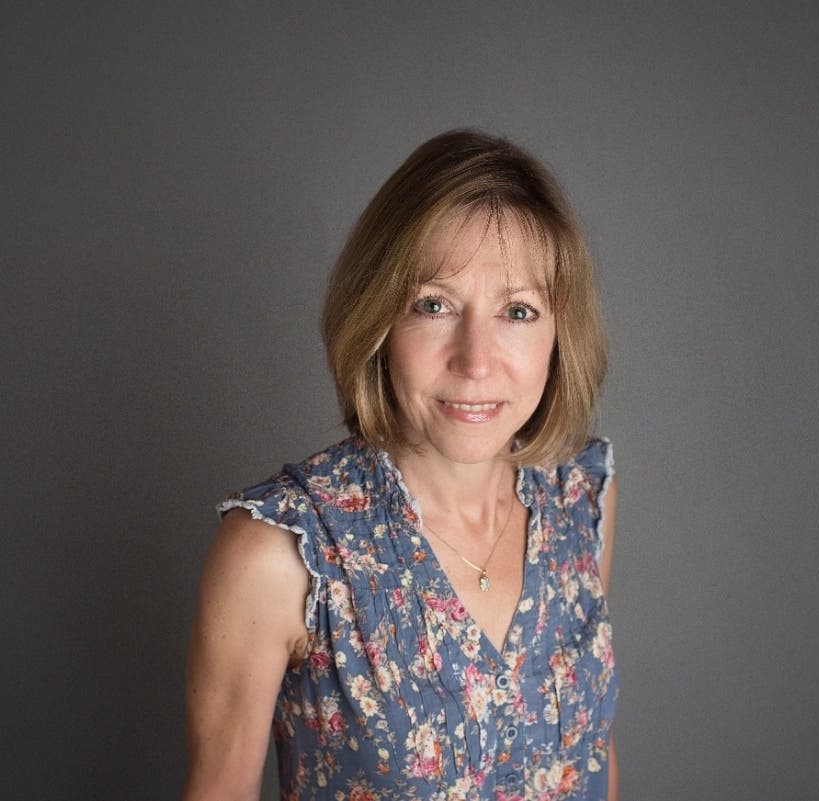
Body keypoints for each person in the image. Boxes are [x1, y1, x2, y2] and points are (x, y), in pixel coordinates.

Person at [182, 130, 619, 801]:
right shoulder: (283, 549)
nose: (476, 361)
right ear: (378, 320)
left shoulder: (581, 496)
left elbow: (595, 751)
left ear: (560, 333)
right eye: (434, 305)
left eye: (518, 311)